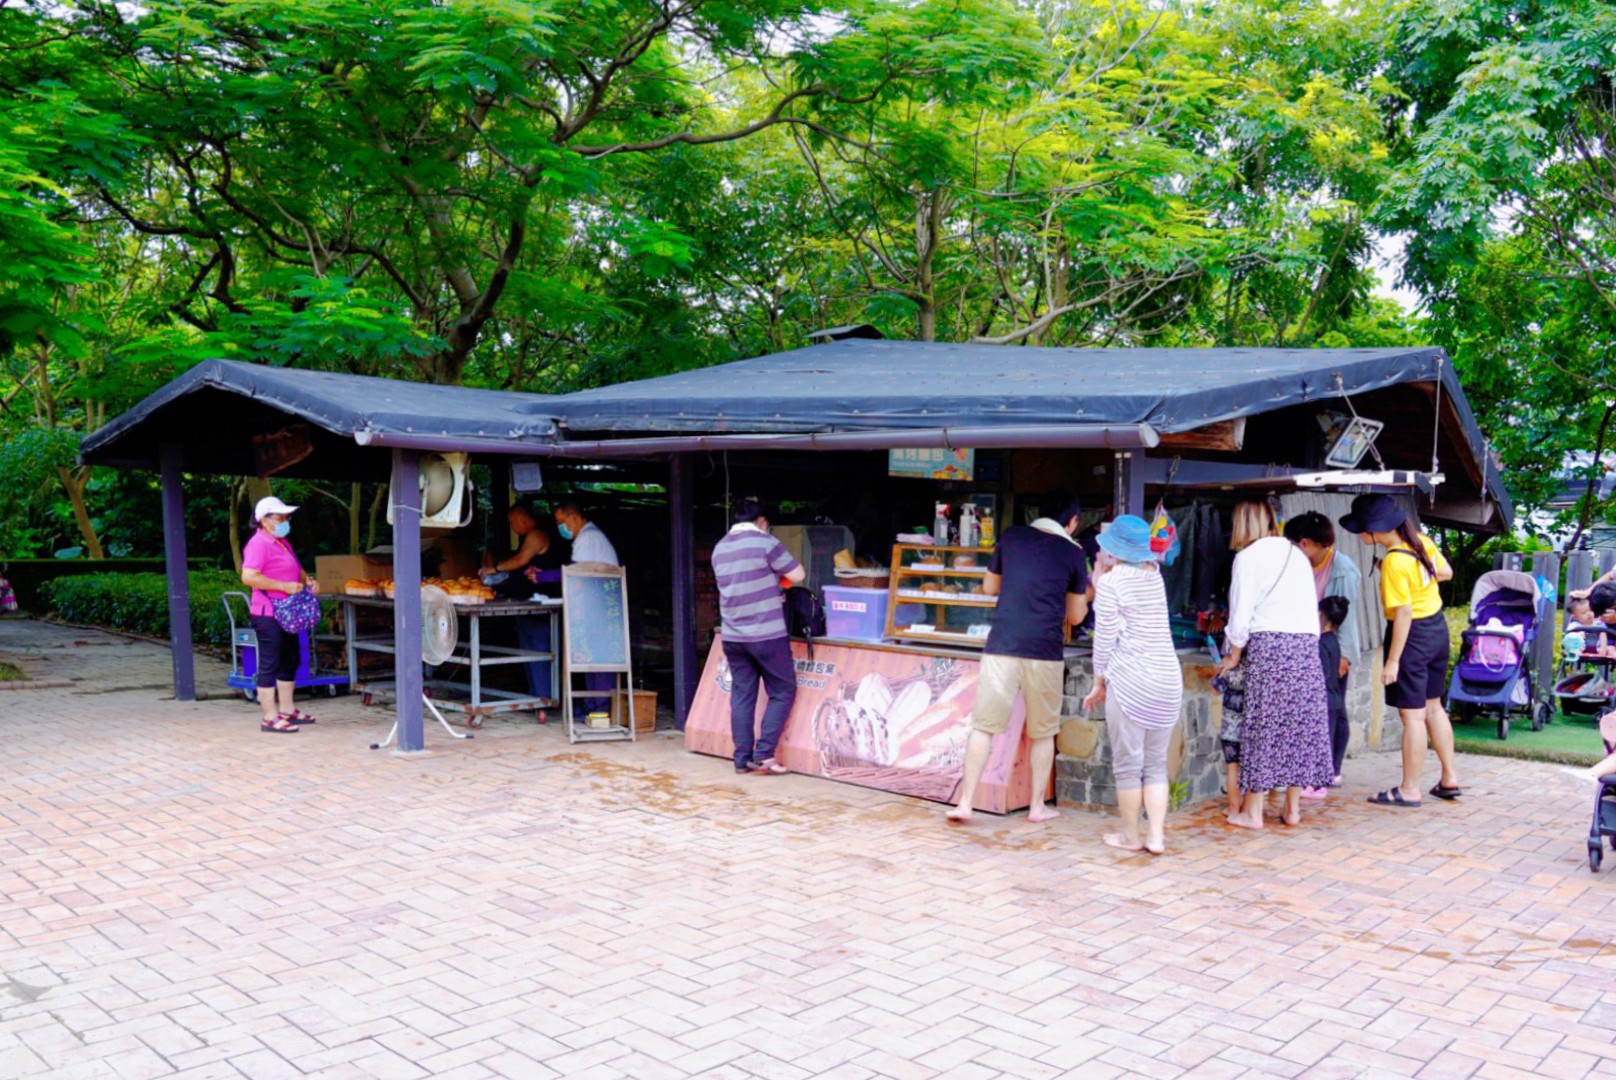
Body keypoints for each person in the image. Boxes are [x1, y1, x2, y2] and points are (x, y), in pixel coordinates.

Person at [948, 493, 1091, 824]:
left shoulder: (1011, 536)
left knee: (983, 726)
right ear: (1072, 523)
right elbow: (1076, 616)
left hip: (1002, 645)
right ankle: (1038, 807)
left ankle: (966, 803)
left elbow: (988, 587)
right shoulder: (1073, 553)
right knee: (1043, 731)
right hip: (1044, 651)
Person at [1214, 499, 1333, 829]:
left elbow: (1241, 613)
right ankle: (1292, 810)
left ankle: (1252, 813)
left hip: (1270, 646)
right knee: (1296, 727)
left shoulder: (1247, 558)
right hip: (1307, 646)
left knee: (1261, 728)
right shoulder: (1297, 554)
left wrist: (1234, 653)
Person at [1339, 493, 1458, 808]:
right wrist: (1413, 577)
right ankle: (1449, 778)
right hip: (1436, 628)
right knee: (1434, 708)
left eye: (1361, 529)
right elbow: (1445, 572)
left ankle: (1409, 789)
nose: (1360, 535)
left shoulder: (1394, 560)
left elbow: (1403, 613)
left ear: (1376, 530)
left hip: (1412, 636)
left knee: (1413, 716)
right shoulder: (1419, 542)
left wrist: (1392, 661)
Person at [1081, 515, 1183, 854]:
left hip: (1132, 682)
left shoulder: (1111, 583)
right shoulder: (1155, 576)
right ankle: (1156, 836)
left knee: (1128, 765)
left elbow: (1105, 636)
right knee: (1155, 763)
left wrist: (1099, 680)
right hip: (1168, 680)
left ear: (1112, 550)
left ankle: (1131, 836)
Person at [711, 498, 806, 775]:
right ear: (762, 521)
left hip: (733, 637)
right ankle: (764, 753)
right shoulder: (765, 543)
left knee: (742, 695)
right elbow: (798, 574)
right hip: (766, 635)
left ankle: (742, 759)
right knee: (782, 689)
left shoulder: (720, 548)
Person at [240, 495, 319, 734]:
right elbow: (248, 576)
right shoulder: (259, 544)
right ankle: (269, 717)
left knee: (291, 658)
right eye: (280, 517)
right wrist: (283, 587)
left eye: (287, 517)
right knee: (270, 662)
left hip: (288, 612)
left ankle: (287, 709)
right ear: (263, 520)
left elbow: (295, 567)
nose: (285, 520)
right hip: (267, 612)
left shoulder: (282, 542)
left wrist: (307, 580)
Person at [482, 504, 566, 707]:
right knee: (529, 652)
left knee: (538, 652)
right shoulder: (531, 536)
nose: (511, 526)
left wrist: (494, 569)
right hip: (528, 604)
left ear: (522, 518)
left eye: (512, 522)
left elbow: (520, 561)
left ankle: (543, 698)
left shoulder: (536, 536)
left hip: (541, 605)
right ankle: (535, 696)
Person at [553, 501, 620, 717]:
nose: (560, 527)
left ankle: (599, 709)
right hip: (595, 606)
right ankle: (593, 706)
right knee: (591, 657)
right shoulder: (588, 537)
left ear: (573, 517)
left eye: (561, 522)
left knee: (599, 659)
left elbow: (574, 572)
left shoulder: (588, 538)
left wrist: (544, 576)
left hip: (600, 606)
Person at [1283, 512, 1363, 681]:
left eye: (1292, 545)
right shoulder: (1299, 565)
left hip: (1329, 648)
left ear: (1304, 543)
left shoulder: (1343, 570)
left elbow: (1347, 616)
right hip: (1304, 648)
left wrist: (1344, 656)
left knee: (1331, 704)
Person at [1311, 594, 1352, 793]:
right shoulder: (1334, 642)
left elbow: (1323, 675)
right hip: (1335, 698)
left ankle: (1319, 786)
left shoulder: (1319, 644)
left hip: (1325, 699)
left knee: (1322, 743)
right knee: (1328, 740)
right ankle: (1325, 778)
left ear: (1323, 616)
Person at [554, 502, 619, 566]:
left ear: (574, 518)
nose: (559, 527)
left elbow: (576, 572)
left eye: (560, 522)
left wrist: (547, 576)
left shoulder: (586, 537)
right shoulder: (591, 534)